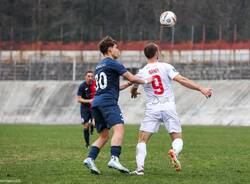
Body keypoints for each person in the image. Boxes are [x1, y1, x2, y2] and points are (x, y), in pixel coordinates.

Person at [130, 43, 212, 175]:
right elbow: (181, 79)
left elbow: (135, 83)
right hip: (168, 107)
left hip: (152, 108)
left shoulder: (142, 72)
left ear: (146, 55)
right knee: (177, 137)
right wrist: (200, 88)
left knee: (142, 140)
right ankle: (174, 151)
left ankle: (139, 169)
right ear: (157, 53)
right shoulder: (165, 67)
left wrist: (134, 91)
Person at [83, 36, 153, 175]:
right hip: (108, 102)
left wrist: (127, 85)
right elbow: (132, 77)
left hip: (96, 103)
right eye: (116, 47)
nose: (118, 50)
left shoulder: (99, 66)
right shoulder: (113, 63)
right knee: (119, 129)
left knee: (104, 135)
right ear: (110, 49)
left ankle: (90, 158)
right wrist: (146, 81)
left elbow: (109, 87)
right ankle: (114, 158)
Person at [77, 71, 96, 149]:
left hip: (94, 107)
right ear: (85, 77)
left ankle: (92, 126)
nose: (90, 78)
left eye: (92, 76)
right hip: (85, 108)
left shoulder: (96, 84)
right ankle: (87, 144)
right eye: (89, 76)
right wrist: (89, 101)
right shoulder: (82, 86)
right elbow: (79, 99)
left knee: (94, 124)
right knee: (85, 126)